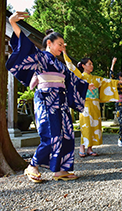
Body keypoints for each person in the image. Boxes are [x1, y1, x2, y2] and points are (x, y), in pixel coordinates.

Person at [6, 12, 91, 182]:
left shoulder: (59, 64)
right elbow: (25, 46)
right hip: (46, 99)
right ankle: (32, 165)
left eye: (63, 44)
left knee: (67, 133)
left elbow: (72, 79)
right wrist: (12, 23)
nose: (62, 47)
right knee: (51, 135)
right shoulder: (40, 57)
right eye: (59, 44)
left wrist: (88, 85)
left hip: (61, 100)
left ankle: (61, 170)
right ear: (49, 43)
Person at [63, 55, 122, 157]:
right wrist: (64, 53)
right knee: (86, 125)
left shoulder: (95, 78)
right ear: (83, 66)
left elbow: (108, 81)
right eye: (89, 64)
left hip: (95, 104)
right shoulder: (80, 76)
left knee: (94, 125)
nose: (91, 66)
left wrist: (121, 82)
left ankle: (90, 148)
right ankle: (82, 147)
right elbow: (71, 67)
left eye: (92, 64)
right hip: (85, 104)